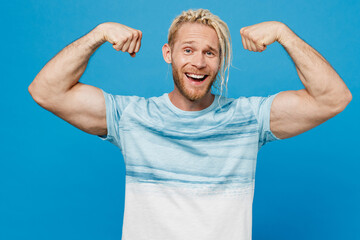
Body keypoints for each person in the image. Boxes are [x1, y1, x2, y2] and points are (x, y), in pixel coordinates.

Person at [28, 9, 351, 240]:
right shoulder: (133, 118)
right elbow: (45, 91)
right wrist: (97, 34)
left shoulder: (248, 119)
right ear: (168, 53)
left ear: (221, 60)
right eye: (188, 50)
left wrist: (284, 33)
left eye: (210, 53)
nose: (198, 62)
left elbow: (333, 98)